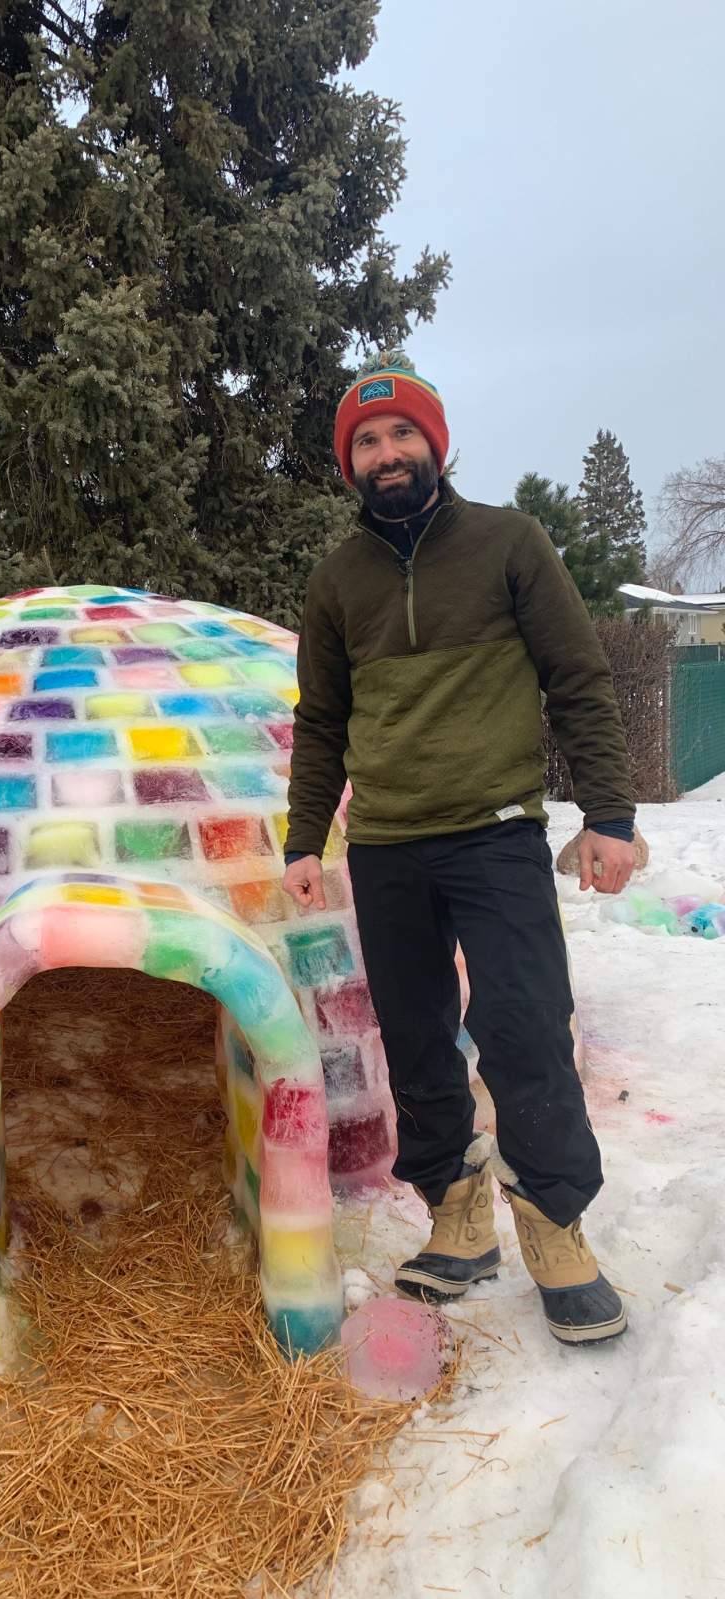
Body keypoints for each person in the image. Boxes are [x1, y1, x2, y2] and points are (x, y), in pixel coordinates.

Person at [282, 351, 635, 1346]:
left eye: (402, 434)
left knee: (525, 1026)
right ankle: (457, 1214)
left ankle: (557, 1227)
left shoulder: (510, 544)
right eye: (366, 439)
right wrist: (305, 838)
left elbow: (578, 679)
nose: (386, 452)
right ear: (347, 463)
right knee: (419, 1038)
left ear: (436, 443)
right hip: (388, 843)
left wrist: (608, 814)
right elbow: (321, 723)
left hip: (496, 836)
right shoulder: (336, 581)